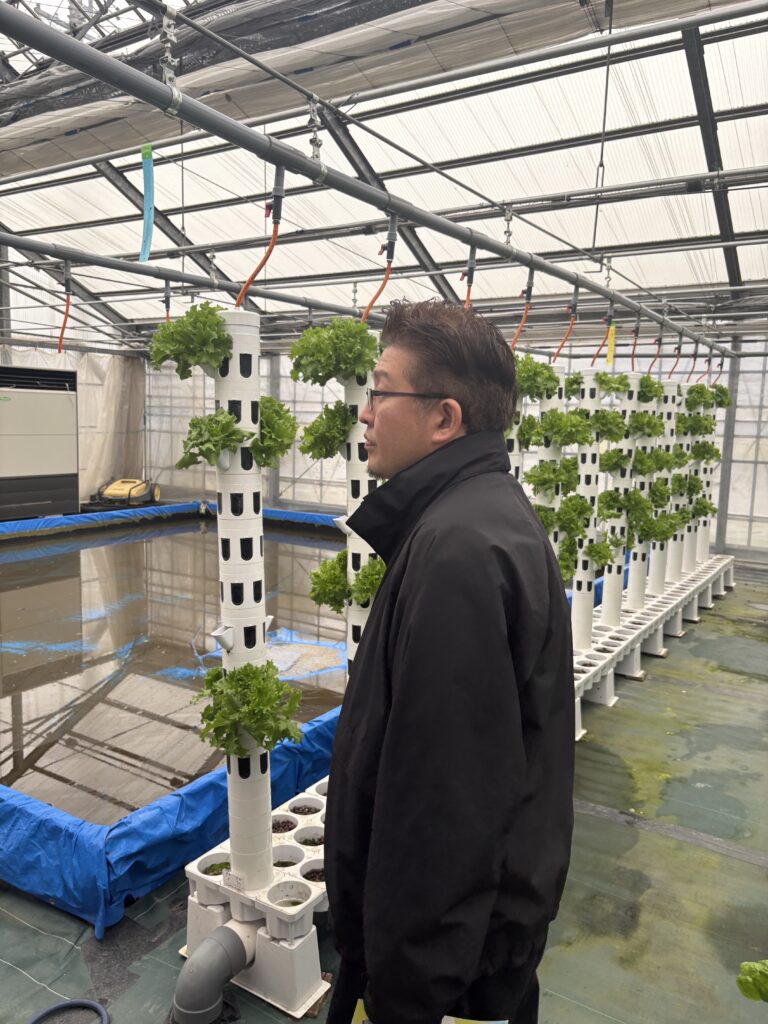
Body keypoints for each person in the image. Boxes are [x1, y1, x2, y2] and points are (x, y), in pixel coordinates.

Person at [324, 299, 575, 1024]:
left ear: (444, 418)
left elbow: (443, 807)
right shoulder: (473, 519)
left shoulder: (457, 552)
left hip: (447, 977)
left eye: (381, 390)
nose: (365, 412)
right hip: (467, 958)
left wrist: (407, 994)